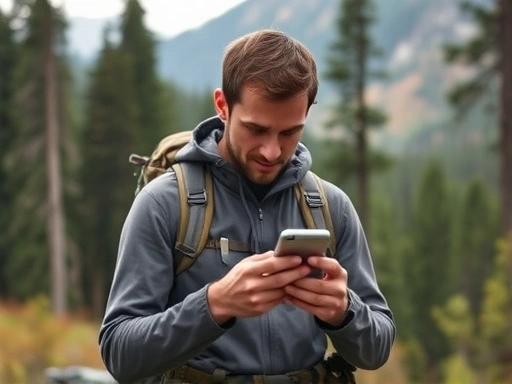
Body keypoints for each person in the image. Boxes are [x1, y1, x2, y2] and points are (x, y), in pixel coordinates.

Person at [99, 29, 395, 384]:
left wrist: (345, 312)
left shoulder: (331, 207)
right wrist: (214, 305)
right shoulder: (164, 204)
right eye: (256, 129)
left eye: (290, 132)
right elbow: (120, 352)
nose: (272, 152)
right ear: (222, 105)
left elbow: (376, 350)